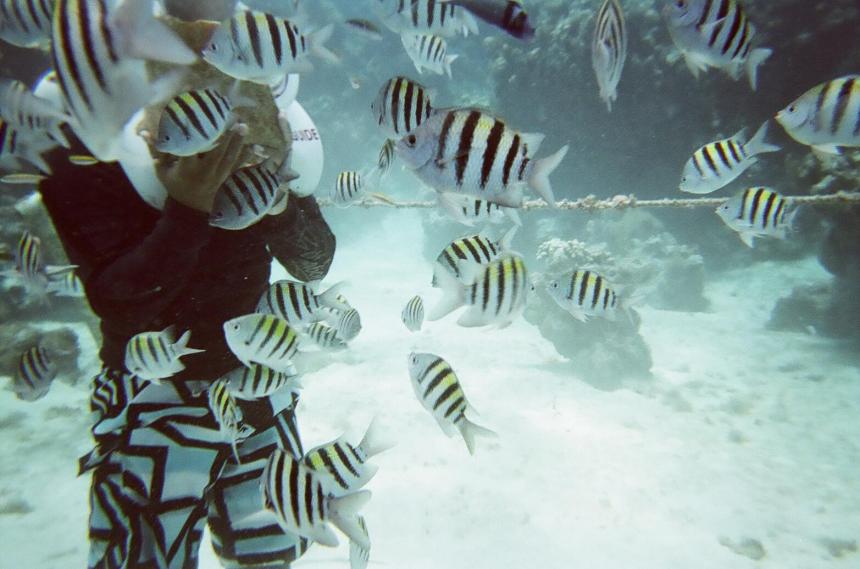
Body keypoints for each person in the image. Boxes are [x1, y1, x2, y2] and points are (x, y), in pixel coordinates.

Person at [37, 113, 335, 567]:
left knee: (270, 555)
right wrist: (190, 205)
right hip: (150, 392)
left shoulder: (257, 130)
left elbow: (314, 265)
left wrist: (276, 202)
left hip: (255, 378)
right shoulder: (89, 144)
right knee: (146, 558)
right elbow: (121, 303)